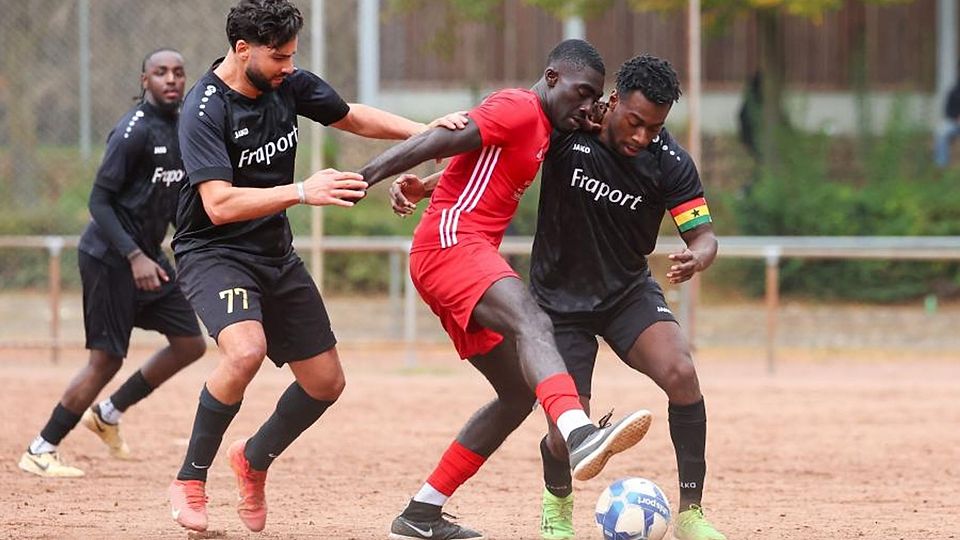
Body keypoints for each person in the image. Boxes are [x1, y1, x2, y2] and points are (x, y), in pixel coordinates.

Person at [390, 54, 727, 540]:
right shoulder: (569, 131)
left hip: (625, 293)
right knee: (563, 430)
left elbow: (705, 234)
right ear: (613, 102)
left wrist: (700, 255)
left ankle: (692, 513)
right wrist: (428, 187)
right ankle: (557, 509)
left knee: (681, 372)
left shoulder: (669, 162)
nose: (641, 137)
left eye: (654, 129)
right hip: (557, 303)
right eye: (634, 122)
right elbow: (504, 162)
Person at [166, 0, 467, 533]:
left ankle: (253, 458)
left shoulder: (287, 83)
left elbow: (351, 115)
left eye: (292, 55)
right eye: (279, 56)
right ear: (242, 50)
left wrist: (427, 132)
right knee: (246, 351)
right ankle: (190, 480)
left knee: (326, 383)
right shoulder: (205, 110)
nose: (288, 66)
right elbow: (218, 204)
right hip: (214, 252)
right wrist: (304, 192)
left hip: (272, 253)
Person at [18, 49, 207, 478]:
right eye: (161, 72)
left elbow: (173, 198)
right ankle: (40, 448)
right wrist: (135, 256)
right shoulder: (132, 131)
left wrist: (187, 244)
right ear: (145, 80)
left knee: (189, 343)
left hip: (147, 255)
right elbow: (99, 202)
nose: (172, 79)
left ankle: (107, 413)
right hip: (109, 256)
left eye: (178, 72)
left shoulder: (182, 128)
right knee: (105, 359)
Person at [935, 69, 960, 168]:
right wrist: (956, 118)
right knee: (941, 132)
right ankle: (941, 163)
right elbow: (947, 111)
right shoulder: (953, 92)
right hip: (953, 123)